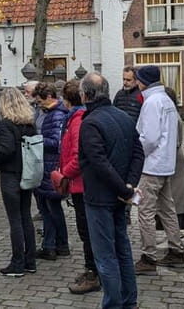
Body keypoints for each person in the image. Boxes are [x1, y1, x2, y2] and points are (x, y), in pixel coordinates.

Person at [78, 73, 145, 309]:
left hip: (100, 198)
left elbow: (99, 163)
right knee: (122, 249)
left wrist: (124, 189)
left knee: (105, 255)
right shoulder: (124, 117)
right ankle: (129, 300)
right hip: (119, 196)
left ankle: (114, 303)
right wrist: (128, 186)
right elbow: (138, 153)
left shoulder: (90, 123)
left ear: (86, 95)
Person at [134, 66, 184, 276]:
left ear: (143, 81)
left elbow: (151, 137)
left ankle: (149, 257)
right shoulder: (166, 100)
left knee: (145, 210)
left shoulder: (152, 102)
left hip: (152, 165)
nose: (137, 83)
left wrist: (138, 154)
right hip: (166, 163)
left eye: (138, 80)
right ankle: (176, 250)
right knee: (167, 208)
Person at [0, 87, 38, 277]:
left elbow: (6, 150)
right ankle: (30, 260)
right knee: (26, 216)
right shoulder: (29, 124)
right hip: (28, 173)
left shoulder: (6, 124)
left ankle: (17, 263)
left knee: (15, 219)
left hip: (11, 174)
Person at [59, 80, 100, 294]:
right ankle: (92, 268)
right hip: (80, 183)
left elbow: (77, 155)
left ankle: (93, 272)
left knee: (87, 231)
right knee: (86, 231)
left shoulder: (77, 121)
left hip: (81, 184)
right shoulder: (76, 118)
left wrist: (65, 173)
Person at [33, 82, 70, 260]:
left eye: (40, 101)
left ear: (49, 97)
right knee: (52, 207)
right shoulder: (55, 112)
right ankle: (58, 244)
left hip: (51, 165)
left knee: (50, 207)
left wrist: (36, 140)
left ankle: (52, 245)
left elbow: (56, 143)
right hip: (51, 164)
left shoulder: (55, 115)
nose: (38, 104)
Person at [162, 87, 184, 229]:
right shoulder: (172, 114)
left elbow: (173, 141)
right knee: (175, 193)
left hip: (173, 158)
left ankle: (177, 225)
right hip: (174, 157)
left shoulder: (172, 116)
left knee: (175, 193)